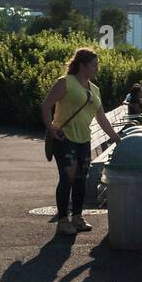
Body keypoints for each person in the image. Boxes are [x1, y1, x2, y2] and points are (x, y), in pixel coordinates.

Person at [41, 47, 121, 237]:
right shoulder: (65, 82)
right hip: (64, 137)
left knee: (80, 179)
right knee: (67, 176)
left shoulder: (94, 90)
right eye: (93, 65)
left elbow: (101, 118)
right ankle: (62, 220)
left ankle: (77, 217)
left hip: (84, 139)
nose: (96, 69)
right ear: (82, 65)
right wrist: (51, 128)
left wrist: (117, 139)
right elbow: (45, 105)